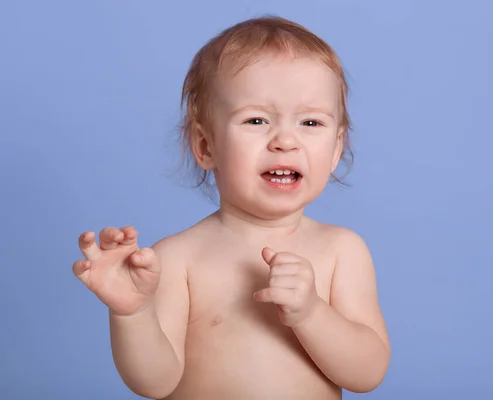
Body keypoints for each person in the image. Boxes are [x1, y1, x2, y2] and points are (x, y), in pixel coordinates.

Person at [73, 16, 390, 400]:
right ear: (206, 146)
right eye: (256, 119)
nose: (285, 141)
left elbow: (368, 373)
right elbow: (155, 383)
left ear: (336, 149)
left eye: (310, 121)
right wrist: (132, 313)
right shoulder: (177, 258)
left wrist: (312, 314)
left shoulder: (342, 251)